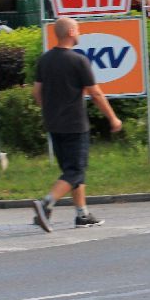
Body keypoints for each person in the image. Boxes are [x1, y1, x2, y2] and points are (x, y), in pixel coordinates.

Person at [31, 17, 122, 231]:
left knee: (71, 172)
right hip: (75, 124)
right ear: (71, 32)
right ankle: (46, 203)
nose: (79, 32)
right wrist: (113, 118)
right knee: (75, 171)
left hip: (53, 124)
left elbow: (36, 92)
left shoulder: (44, 60)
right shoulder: (78, 61)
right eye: (78, 29)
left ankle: (82, 215)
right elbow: (96, 94)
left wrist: (50, 110)